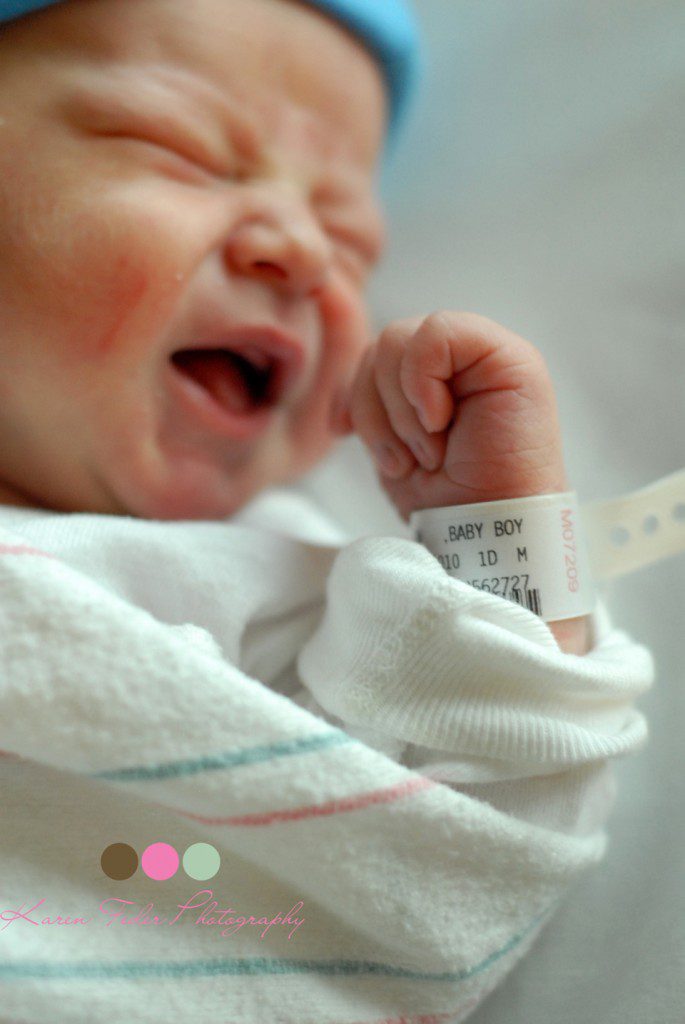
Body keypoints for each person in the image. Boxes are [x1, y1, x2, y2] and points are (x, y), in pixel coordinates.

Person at [0, 1, 654, 1022]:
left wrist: (495, 536)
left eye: (353, 245)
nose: (303, 250)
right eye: (179, 150)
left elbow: (466, 855)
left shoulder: (293, 582)